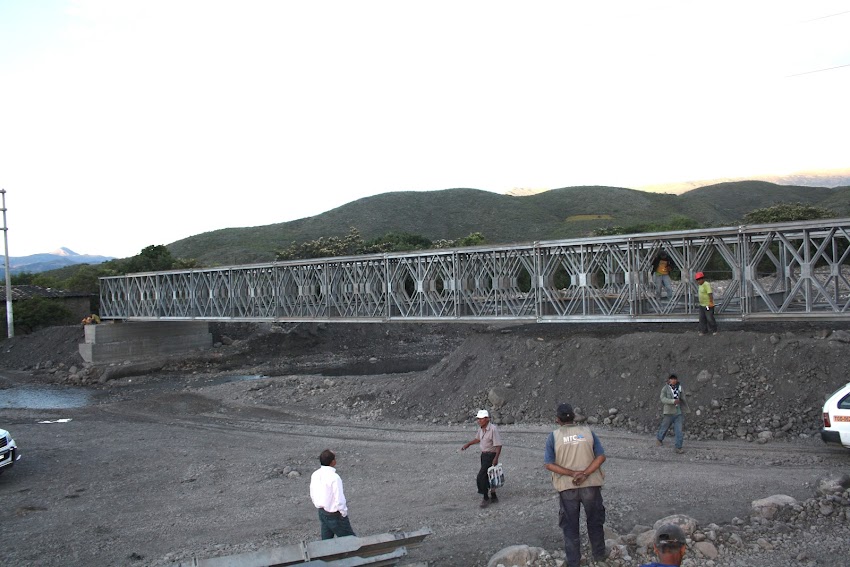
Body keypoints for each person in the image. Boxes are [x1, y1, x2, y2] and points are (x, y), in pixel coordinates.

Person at [544, 403, 608, 567]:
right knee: (595, 520)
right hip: (590, 485)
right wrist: (585, 474)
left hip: (568, 488)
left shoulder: (554, 436)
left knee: (570, 525)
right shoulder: (587, 432)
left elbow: (549, 464)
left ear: (557, 420)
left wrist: (573, 474)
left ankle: (573, 561)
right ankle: (599, 554)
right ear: (573, 417)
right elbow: (600, 457)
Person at [309, 449, 355, 539]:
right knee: (350, 540)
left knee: (326, 541)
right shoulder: (334, 477)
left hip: (322, 512)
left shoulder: (315, 474)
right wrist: (343, 513)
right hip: (335, 515)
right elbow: (339, 498)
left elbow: (313, 492)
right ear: (333, 461)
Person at [461, 409, 502, 508]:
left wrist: (496, 458)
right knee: (489, 476)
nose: (479, 421)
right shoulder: (481, 429)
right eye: (478, 419)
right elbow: (478, 439)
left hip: (490, 455)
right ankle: (493, 496)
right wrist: (468, 444)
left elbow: (499, 445)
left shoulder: (493, 429)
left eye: (481, 419)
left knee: (481, 476)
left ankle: (485, 498)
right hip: (484, 455)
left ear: (487, 419)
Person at [656, 374, 690, 454]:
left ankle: (678, 447)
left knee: (679, 431)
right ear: (669, 380)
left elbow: (683, 398)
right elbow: (663, 399)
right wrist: (672, 401)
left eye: (675, 379)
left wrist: (686, 408)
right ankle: (659, 439)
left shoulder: (679, 388)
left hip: (678, 413)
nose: (674, 380)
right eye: (672, 379)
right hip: (668, 413)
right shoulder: (665, 388)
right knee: (664, 427)